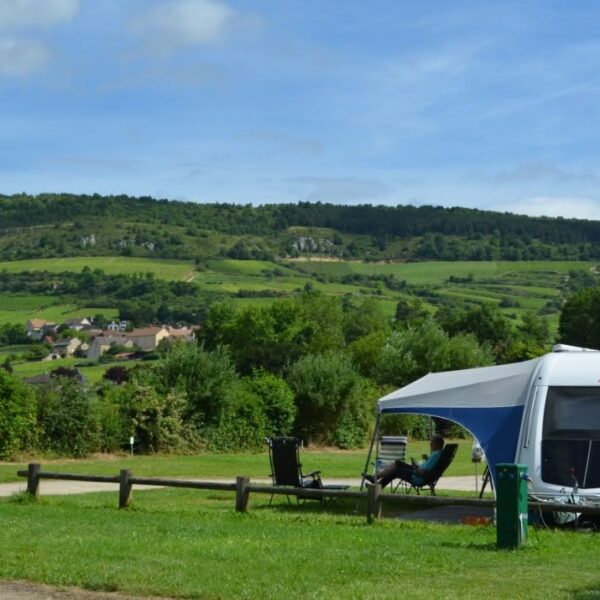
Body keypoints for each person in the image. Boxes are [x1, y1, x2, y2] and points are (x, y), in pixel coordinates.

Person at [365, 435, 445, 489]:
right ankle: (375, 482)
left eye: (431, 442)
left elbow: (424, 472)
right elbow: (428, 467)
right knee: (397, 465)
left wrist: (416, 467)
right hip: (418, 473)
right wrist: (417, 465)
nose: (430, 444)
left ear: (436, 444)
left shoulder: (436, 455)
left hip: (417, 476)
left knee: (396, 468)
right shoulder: (438, 454)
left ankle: (375, 480)